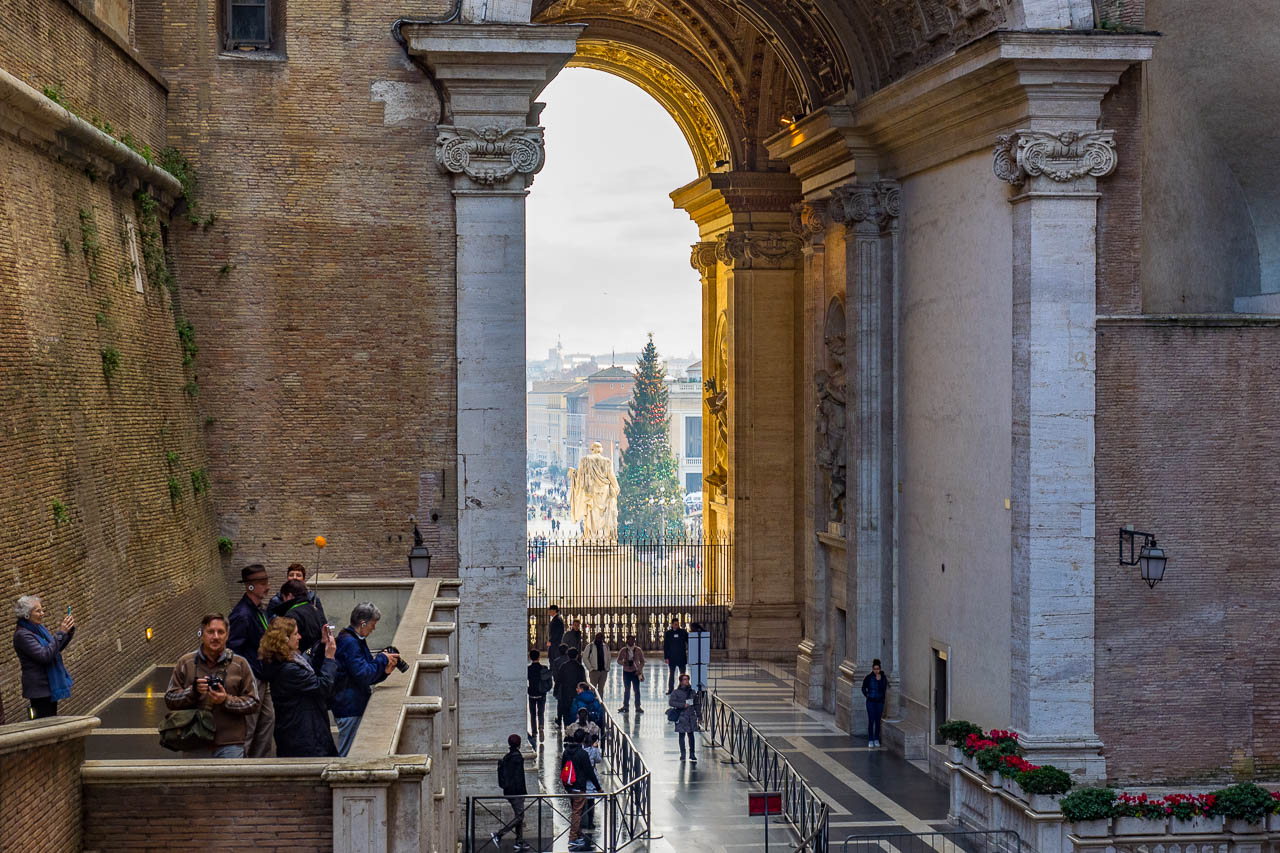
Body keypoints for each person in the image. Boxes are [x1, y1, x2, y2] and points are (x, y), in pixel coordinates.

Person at [164, 613, 259, 758]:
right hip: (194, 741)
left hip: (230, 744)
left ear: (227, 636)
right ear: (202, 634)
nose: (216, 636)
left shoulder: (240, 664)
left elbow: (253, 702)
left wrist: (226, 700)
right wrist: (193, 691)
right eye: (210, 632)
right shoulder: (186, 663)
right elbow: (170, 698)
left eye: (220, 632)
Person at [259, 616, 339, 757]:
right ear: (284, 639)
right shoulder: (289, 670)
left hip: (302, 732)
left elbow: (311, 666)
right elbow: (323, 686)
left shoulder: (283, 662)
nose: (300, 637)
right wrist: (330, 658)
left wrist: (322, 644)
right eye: (295, 634)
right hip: (305, 736)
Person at [331, 602, 400, 756]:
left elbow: (367, 672)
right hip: (349, 707)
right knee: (348, 754)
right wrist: (382, 659)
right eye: (372, 624)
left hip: (351, 704)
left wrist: (385, 671)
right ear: (363, 623)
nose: (373, 629)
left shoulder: (354, 640)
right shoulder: (350, 643)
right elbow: (363, 674)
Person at [228, 563, 275, 757]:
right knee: (250, 724)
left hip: (262, 675)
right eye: (262, 583)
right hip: (252, 678)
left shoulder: (258, 610)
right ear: (250, 586)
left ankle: (261, 763)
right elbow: (233, 648)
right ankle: (242, 766)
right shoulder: (242, 614)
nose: (267, 586)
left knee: (268, 719)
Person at [12, 595, 75, 719]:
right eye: (38, 611)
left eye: (42, 610)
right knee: (44, 724)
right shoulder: (22, 635)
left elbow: (54, 650)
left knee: (51, 721)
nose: (42, 613)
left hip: (48, 686)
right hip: (39, 691)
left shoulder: (38, 629)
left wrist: (68, 632)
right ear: (26, 615)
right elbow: (45, 655)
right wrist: (61, 633)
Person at [560, 729, 601, 851]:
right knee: (577, 813)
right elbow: (589, 771)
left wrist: (565, 785)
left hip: (569, 785)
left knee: (575, 809)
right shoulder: (582, 754)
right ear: (583, 739)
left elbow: (563, 768)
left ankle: (577, 835)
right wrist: (598, 787)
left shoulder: (567, 751)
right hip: (579, 787)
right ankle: (573, 838)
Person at [492, 734, 531, 851]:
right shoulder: (517, 758)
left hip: (508, 790)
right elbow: (519, 778)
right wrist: (522, 792)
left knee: (518, 816)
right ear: (519, 744)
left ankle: (519, 842)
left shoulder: (507, 757)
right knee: (520, 816)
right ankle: (499, 835)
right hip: (516, 792)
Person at [272, 579, 325, 663]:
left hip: (301, 659)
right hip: (316, 655)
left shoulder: (291, 615)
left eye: (283, 598)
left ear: (289, 596)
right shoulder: (314, 609)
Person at [669, 672, 701, 762]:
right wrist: (683, 705)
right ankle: (683, 754)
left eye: (687, 679)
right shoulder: (676, 692)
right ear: (681, 681)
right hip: (681, 717)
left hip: (691, 716)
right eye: (684, 680)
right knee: (681, 735)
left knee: (691, 735)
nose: (686, 681)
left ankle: (692, 754)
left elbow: (697, 704)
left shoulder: (692, 692)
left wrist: (700, 716)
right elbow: (671, 702)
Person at [554, 647, 586, 728]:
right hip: (577, 693)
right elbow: (583, 681)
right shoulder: (580, 667)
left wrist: (556, 691)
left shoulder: (564, 666)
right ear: (577, 656)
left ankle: (567, 727)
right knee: (575, 710)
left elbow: (558, 680)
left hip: (566, 693)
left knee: (566, 711)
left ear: (568, 656)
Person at [862, 658, 889, 748]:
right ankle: (870, 739)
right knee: (871, 720)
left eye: (878, 669)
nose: (876, 671)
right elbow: (863, 688)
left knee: (878, 721)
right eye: (875, 669)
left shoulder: (883, 678)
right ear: (873, 669)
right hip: (870, 702)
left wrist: (879, 680)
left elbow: (883, 689)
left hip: (879, 702)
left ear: (880, 669)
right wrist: (867, 695)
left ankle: (876, 739)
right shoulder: (868, 677)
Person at [616, 635, 645, 713]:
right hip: (626, 672)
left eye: (633, 640)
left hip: (636, 672)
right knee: (627, 690)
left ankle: (638, 707)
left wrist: (639, 669)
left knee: (637, 690)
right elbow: (618, 660)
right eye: (630, 640)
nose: (631, 641)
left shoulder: (638, 650)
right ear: (627, 641)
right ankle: (626, 706)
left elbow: (642, 661)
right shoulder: (623, 650)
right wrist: (624, 663)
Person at [527, 649, 551, 742]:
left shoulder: (528, 669)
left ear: (530, 658)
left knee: (533, 713)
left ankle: (534, 732)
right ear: (539, 657)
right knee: (541, 712)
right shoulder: (544, 668)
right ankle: (541, 727)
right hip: (541, 693)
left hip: (532, 693)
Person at [663, 618, 689, 694]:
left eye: (678, 624)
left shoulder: (683, 632)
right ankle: (670, 689)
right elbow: (666, 646)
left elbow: (689, 641)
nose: (677, 626)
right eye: (675, 624)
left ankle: (683, 689)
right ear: (672, 624)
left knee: (682, 674)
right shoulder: (668, 633)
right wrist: (666, 657)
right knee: (671, 674)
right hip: (672, 657)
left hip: (681, 657)